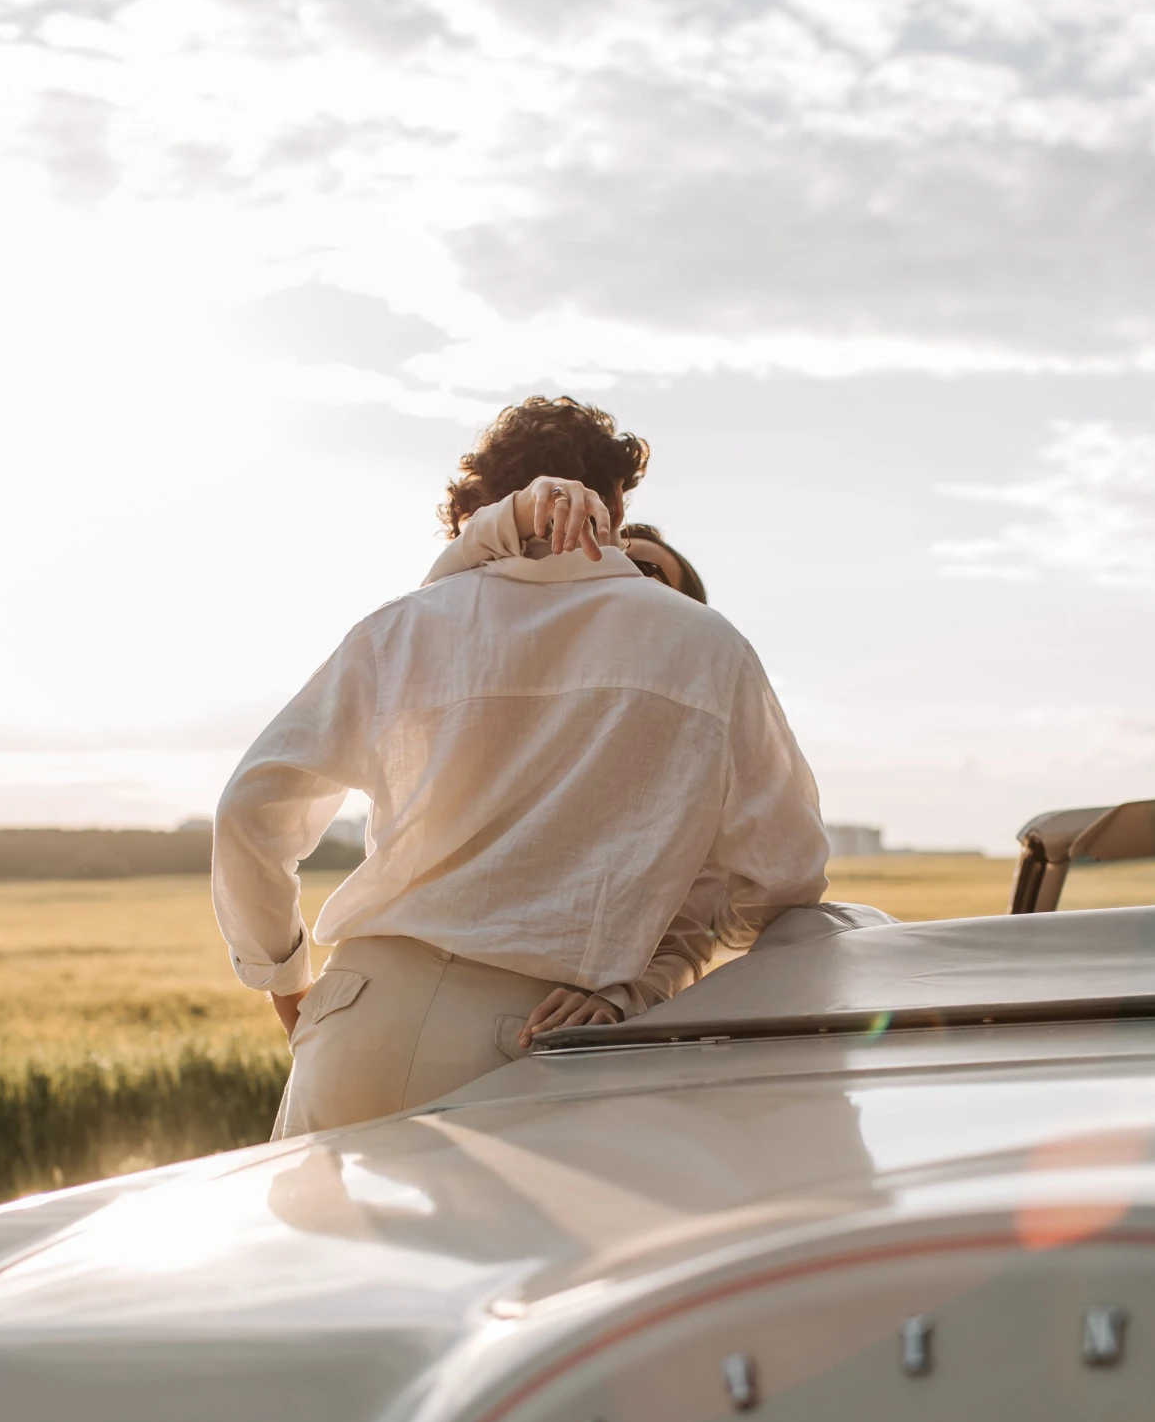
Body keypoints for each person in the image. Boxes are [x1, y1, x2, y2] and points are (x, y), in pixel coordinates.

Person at [212, 395, 827, 1137]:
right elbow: (784, 876)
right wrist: (647, 983)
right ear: (614, 501)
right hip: (539, 1032)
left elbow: (250, 811)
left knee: (313, 1257)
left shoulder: (403, 625)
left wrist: (287, 986)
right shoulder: (704, 645)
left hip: (360, 1008)